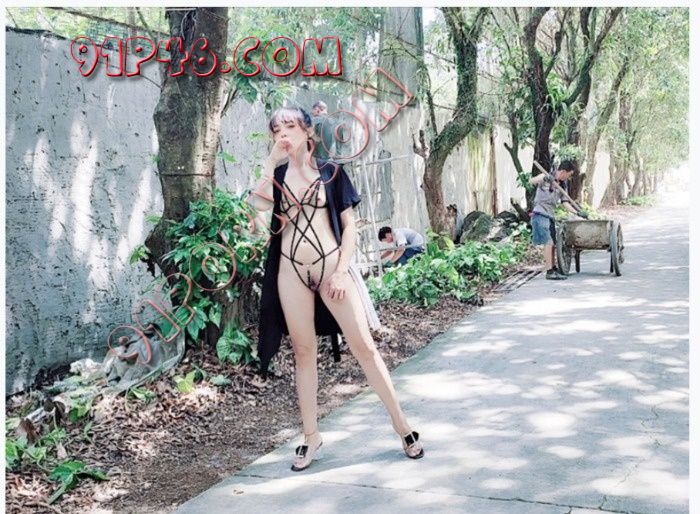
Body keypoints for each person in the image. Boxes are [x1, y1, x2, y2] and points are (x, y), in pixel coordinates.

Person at [247, 106, 424, 472]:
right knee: (303, 352)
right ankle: (310, 435)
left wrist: (342, 273)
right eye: (277, 129)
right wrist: (270, 162)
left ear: (308, 131)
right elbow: (256, 214)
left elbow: (350, 226)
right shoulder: (276, 175)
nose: (283, 134)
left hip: (330, 268)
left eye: (290, 126)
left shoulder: (331, 172)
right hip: (291, 272)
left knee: (365, 347)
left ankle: (401, 425)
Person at [529, 160, 588, 280]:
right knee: (548, 242)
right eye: (569, 175)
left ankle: (553, 267)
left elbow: (565, 203)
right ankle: (549, 271)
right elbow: (532, 181)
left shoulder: (563, 185)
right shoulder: (546, 176)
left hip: (550, 215)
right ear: (563, 172)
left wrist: (577, 212)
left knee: (553, 244)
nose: (569, 177)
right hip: (540, 213)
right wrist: (545, 178)